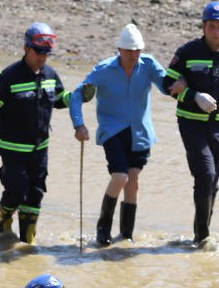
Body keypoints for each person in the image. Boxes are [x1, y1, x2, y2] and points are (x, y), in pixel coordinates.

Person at [162, 1, 219, 249]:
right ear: (203, 27)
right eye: (211, 27)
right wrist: (193, 95)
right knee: (206, 174)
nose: (216, 32)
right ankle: (203, 237)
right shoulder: (187, 52)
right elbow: (166, 85)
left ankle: (200, 233)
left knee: (212, 181)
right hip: (192, 124)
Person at [68, 23, 169, 246]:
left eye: (138, 50)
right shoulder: (104, 70)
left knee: (133, 181)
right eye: (129, 50)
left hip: (141, 132)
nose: (134, 55)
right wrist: (79, 125)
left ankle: (126, 235)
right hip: (113, 131)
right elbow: (77, 96)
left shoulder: (149, 64)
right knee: (120, 177)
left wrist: (184, 85)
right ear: (119, 50)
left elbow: (167, 85)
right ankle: (102, 231)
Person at [0, 22, 72, 246]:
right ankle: (5, 221)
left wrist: (77, 97)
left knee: (36, 194)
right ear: (26, 48)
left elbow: (58, 100)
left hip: (40, 149)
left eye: (47, 53)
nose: (43, 57)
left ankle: (27, 242)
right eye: (39, 52)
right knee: (16, 190)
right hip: (12, 150)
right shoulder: (10, 77)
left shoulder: (50, 75)